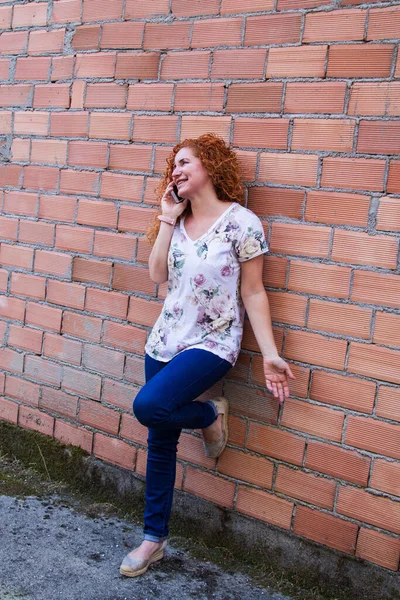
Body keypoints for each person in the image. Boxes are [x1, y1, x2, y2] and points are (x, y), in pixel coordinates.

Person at [119, 133, 295, 578]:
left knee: (149, 407)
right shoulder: (175, 221)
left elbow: (253, 292)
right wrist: (165, 218)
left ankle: (208, 416)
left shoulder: (242, 224)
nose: (176, 170)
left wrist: (271, 353)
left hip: (213, 343)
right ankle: (152, 540)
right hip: (164, 340)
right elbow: (157, 275)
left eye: (185, 162)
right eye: (173, 166)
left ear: (211, 167)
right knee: (160, 437)